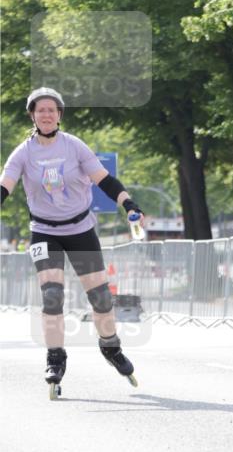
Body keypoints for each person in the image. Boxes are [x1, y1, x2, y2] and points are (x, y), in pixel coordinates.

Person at [0, 88, 145, 397]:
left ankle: (110, 346)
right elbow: (5, 185)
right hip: (44, 231)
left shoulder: (74, 146)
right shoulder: (23, 153)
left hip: (80, 229)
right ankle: (55, 358)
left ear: (60, 114)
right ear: (32, 115)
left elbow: (104, 180)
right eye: (41, 110)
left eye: (52, 110)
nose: (47, 114)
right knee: (52, 295)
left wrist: (129, 204)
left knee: (101, 299)